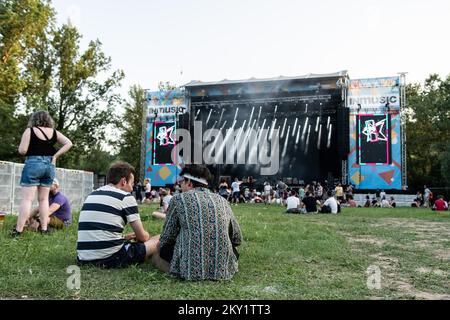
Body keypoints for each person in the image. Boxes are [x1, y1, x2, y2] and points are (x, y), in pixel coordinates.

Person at [151, 164, 243, 281]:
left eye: (181, 182)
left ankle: (180, 269)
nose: (180, 185)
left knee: (159, 251)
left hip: (190, 266)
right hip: (223, 271)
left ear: (189, 182)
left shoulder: (179, 199)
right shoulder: (222, 200)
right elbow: (237, 239)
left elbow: (167, 237)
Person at [76, 161, 159, 269]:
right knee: (160, 238)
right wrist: (147, 236)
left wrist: (124, 238)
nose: (132, 188)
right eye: (132, 184)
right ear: (123, 181)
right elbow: (142, 237)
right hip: (110, 259)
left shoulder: (92, 194)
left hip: (82, 259)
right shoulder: (125, 197)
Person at [12, 111, 72, 237]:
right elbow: (68, 143)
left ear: (34, 119)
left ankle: (18, 231)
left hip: (33, 163)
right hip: (49, 165)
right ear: (48, 120)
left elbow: (22, 151)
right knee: (44, 199)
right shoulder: (54, 132)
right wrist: (55, 156)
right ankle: (44, 229)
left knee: (27, 199)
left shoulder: (30, 131)